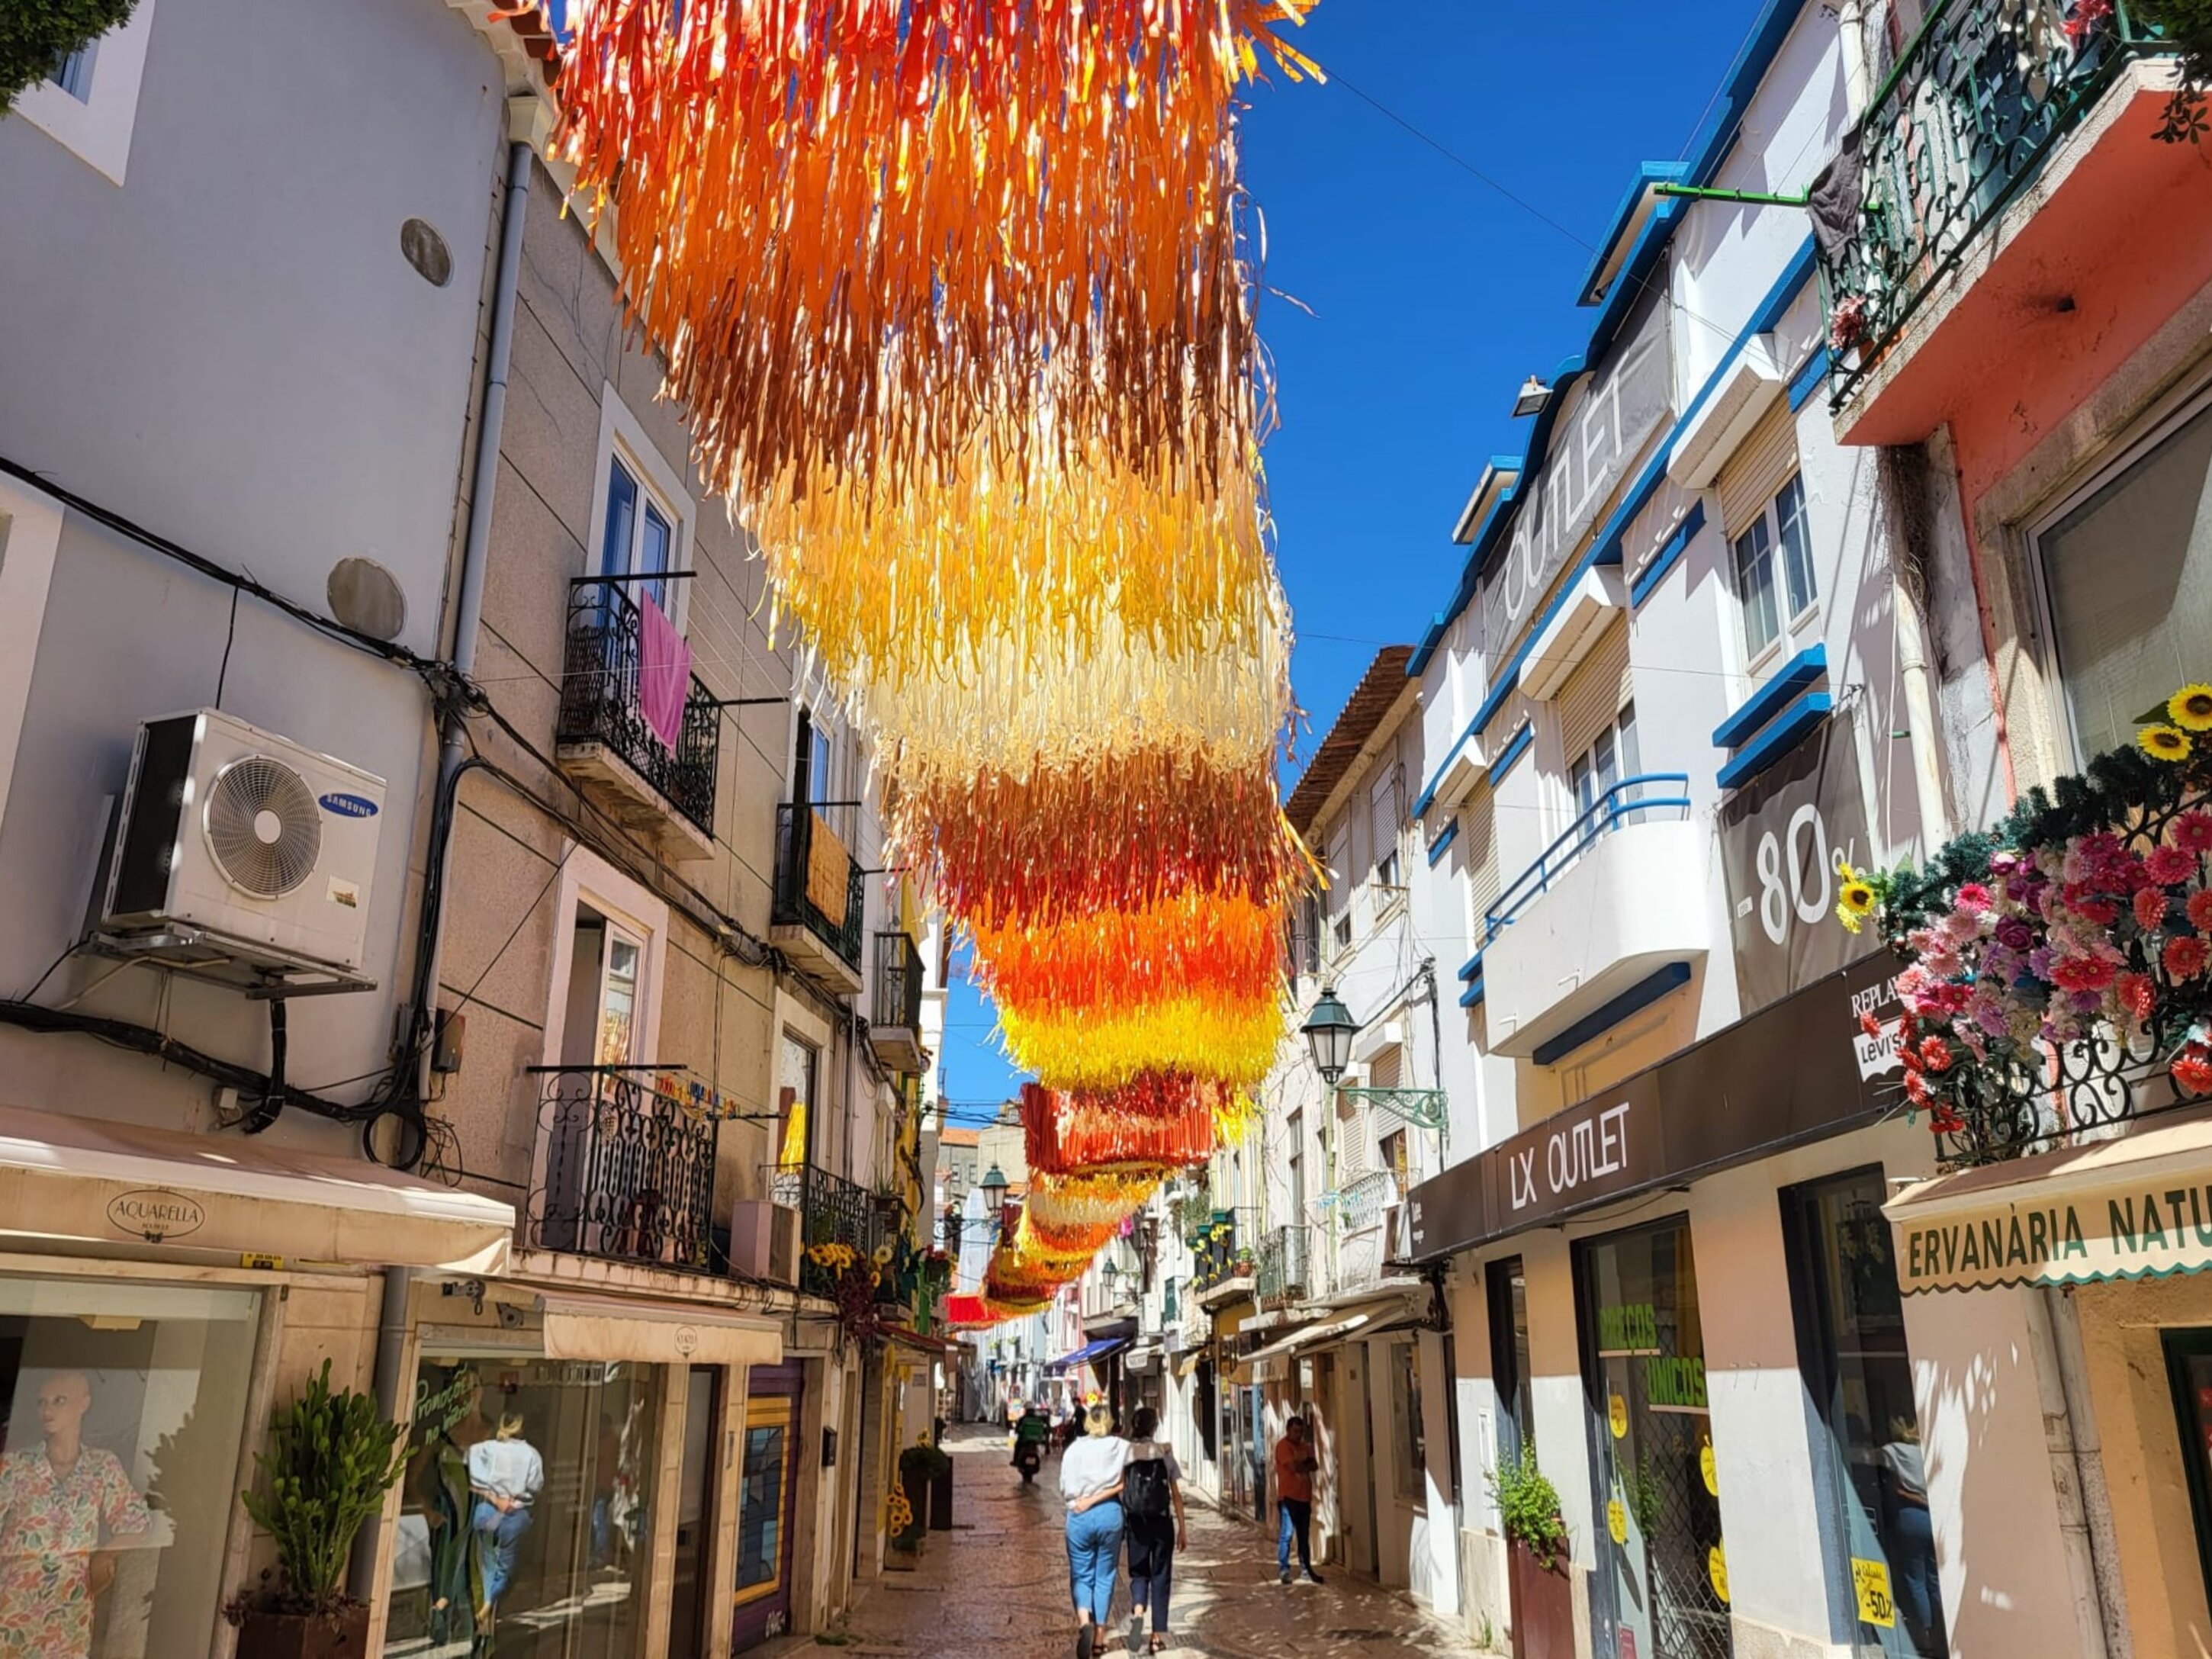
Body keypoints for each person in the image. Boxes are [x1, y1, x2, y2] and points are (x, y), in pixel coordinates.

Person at [0, 1370, 150, 1659]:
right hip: (11, 1605)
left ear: (84, 1403)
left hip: (69, 1610)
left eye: (59, 1400)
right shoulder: (17, 1465)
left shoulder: (102, 1465)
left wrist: (104, 1556)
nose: (48, 1410)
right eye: (42, 1402)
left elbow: (136, 1524)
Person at [1058, 1400, 1128, 1659]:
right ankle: (1099, 1638)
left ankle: (1084, 1621)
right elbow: (1143, 1457)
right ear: (1109, 1422)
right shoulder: (1119, 1446)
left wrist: (1080, 1499)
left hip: (1079, 1515)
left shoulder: (1073, 1450)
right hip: (1110, 1514)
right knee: (1105, 1575)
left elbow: (1064, 1487)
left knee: (1080, 1573)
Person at [468, 1410, 546, 1626]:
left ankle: (481, 1612)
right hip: (513, 1515)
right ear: (522, 1427)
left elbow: (473, 1481)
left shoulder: (486, 1449)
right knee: (506, 1571)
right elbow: (536, 1485)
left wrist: (494, 1497)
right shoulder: (531, 1454)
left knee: (484, 1564)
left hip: (486, 1512)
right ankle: (489, 1605)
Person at [1120, 1406, 1188, 1655]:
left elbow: (1120, 1488)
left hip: (1136, 1522)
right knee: (1161, 1576)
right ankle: (1157, 1636)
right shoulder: (1164, 1454)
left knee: (1139, 1572)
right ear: (1154, 1427)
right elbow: (1176, 1495)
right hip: (1162, 1522)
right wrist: (1183, 1528)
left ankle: (1138, 1611)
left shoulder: (1126, 1453)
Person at [1272, 1416, 1322, 1586]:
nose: (1298, 1434)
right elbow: (1293, 1467)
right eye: (1295, 1431)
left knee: (1303, 1535)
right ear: (1288, 1430)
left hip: (1304, 1497)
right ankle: (1284, 1569)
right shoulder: (1282, 1446)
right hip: (1288, 1498)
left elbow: (1314, 1465)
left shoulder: (1305, 1446)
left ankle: (1305, 1568)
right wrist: (1303, 1464)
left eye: (1300, 1431)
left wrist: (1303, 1465)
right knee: (1287, 1534)